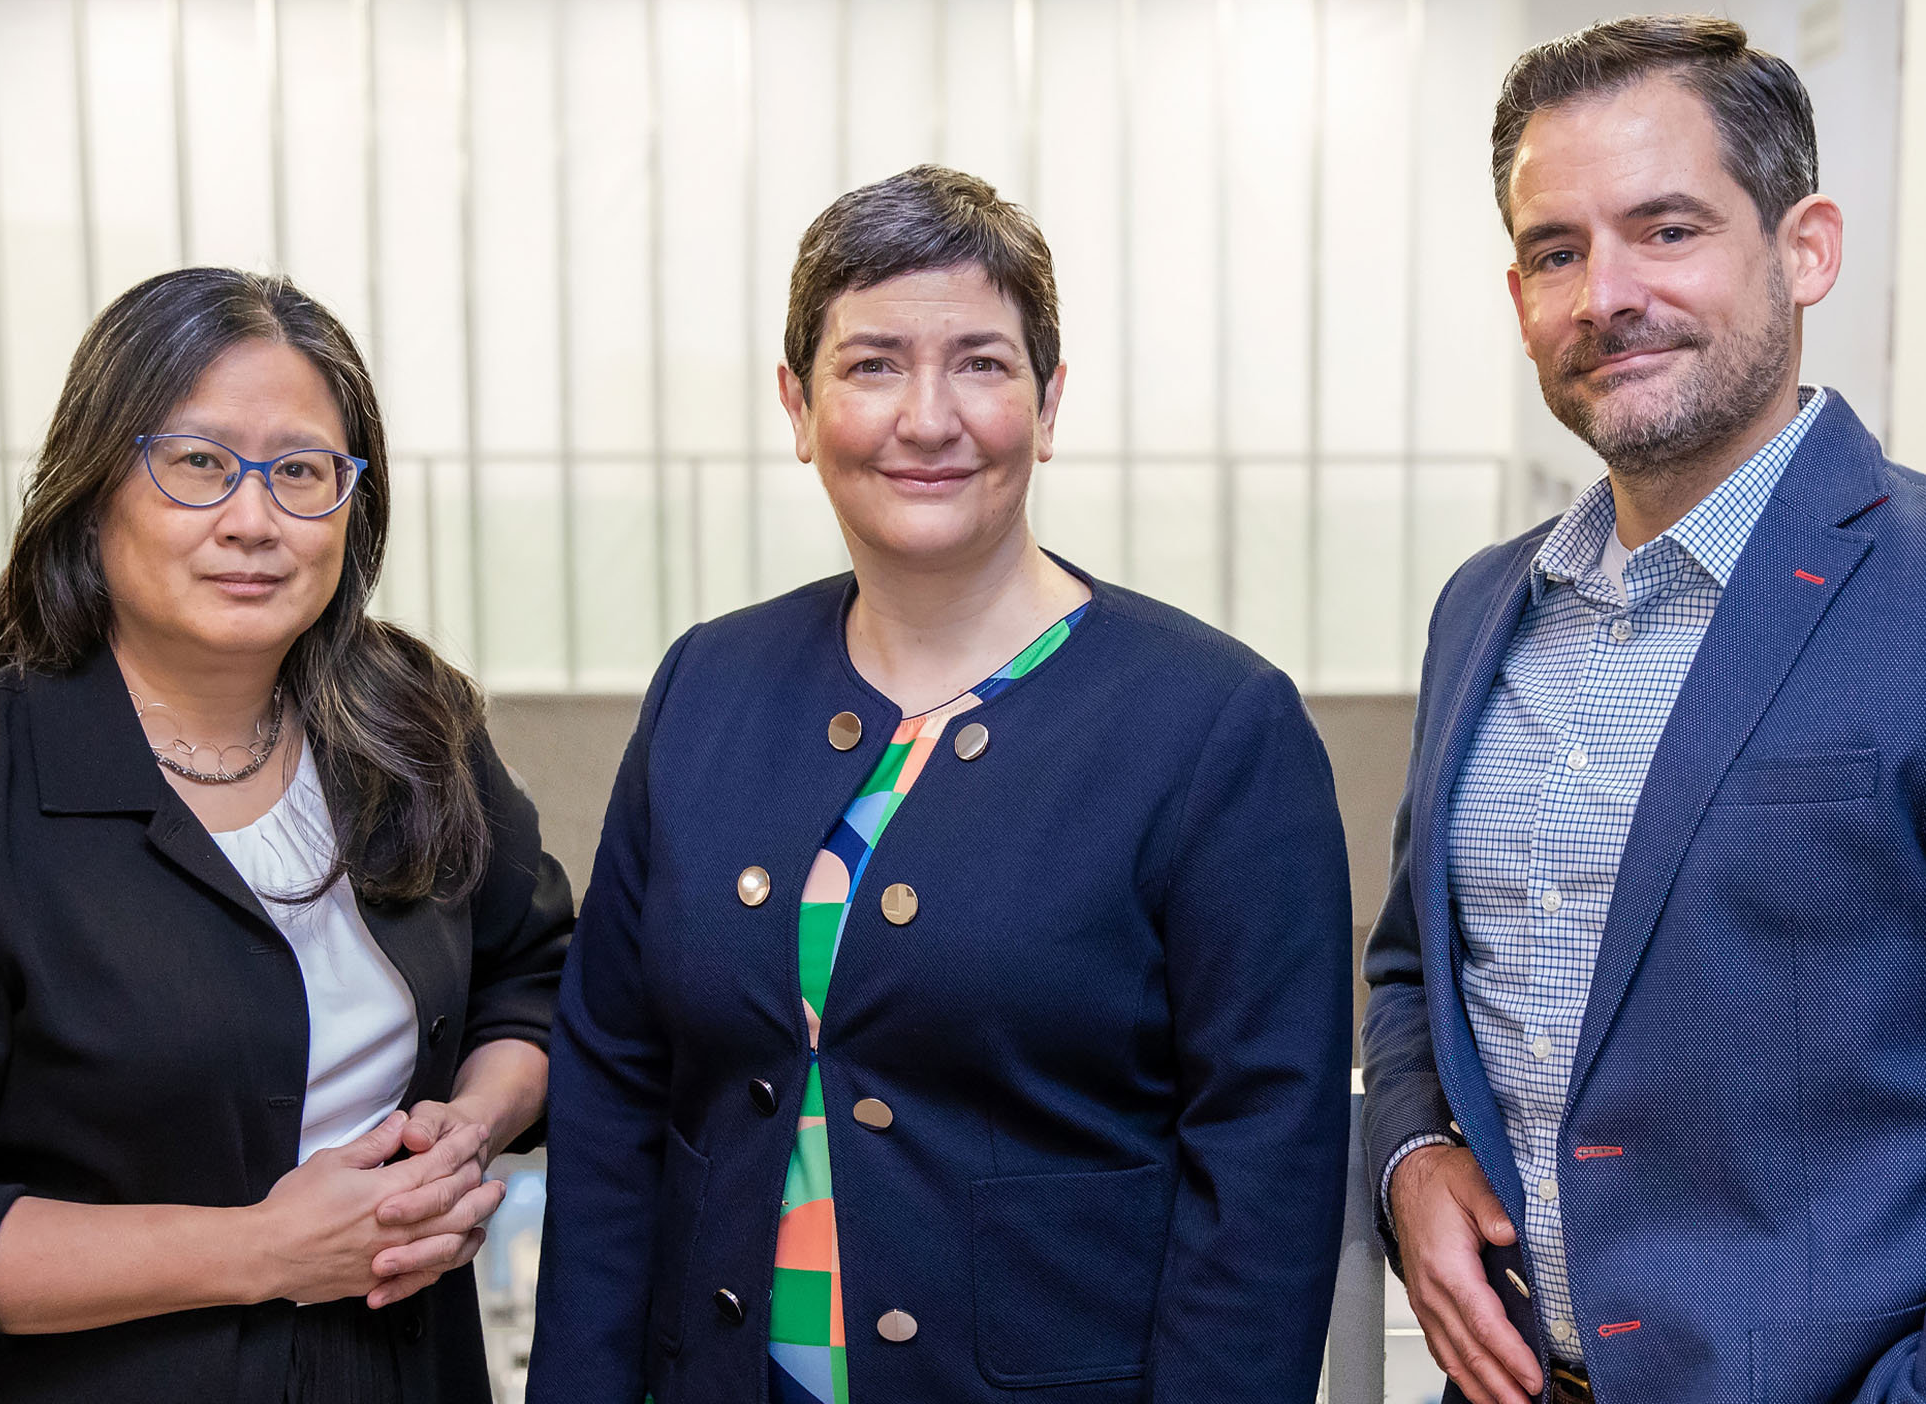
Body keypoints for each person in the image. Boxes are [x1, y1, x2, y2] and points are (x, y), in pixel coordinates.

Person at [1358, 15, 1926, 1404]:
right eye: (1556, 250)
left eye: (1668, 229)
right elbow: (1415, 965)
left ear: (1805, 248)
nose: (1607, 295)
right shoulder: (1487, 606)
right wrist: (1409, 1156)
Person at [527, 165, 1352, 1404]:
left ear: (1048, 399)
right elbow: (613, 1092)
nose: (927, 417)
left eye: (980, 362)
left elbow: (1264, 1168)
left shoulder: (1214, 727)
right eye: (870, 366)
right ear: (797, 405)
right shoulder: (709, 685)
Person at [0, 267, 574, 1403]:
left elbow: (533, 974)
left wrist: (469, 1128)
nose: (253, 520)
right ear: (96, 490)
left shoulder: (409, 724)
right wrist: (268, 1251)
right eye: (197, 465)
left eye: (301, 473)